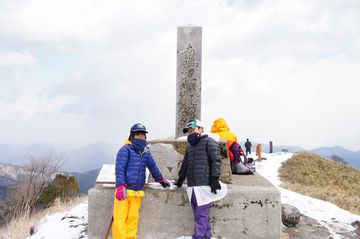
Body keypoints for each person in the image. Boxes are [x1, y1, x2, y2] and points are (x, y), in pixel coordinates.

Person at [113, 123, 170, 239]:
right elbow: (120, 169)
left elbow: (153, 167)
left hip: (137, 192)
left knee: (133, 219)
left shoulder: (146, 152)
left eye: (143, 135)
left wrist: (160, 179)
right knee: (120, 219)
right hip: (124, 191)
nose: (141, 137)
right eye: (138, 134)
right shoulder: (125, 150)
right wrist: (120, 186)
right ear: (132, 136)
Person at [175, 119, 223, 239]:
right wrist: (181, 179)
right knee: (200, 214)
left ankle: (199, 237)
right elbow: (185, 164)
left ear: (201, 129)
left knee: (200, 215)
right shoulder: (190, 146)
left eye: (193, 129)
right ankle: (206, 235)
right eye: (189, 131)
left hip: (204, 186)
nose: (190, 132)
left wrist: (214, 178)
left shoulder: (209, 142)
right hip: (192, 186)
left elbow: (216, 161)